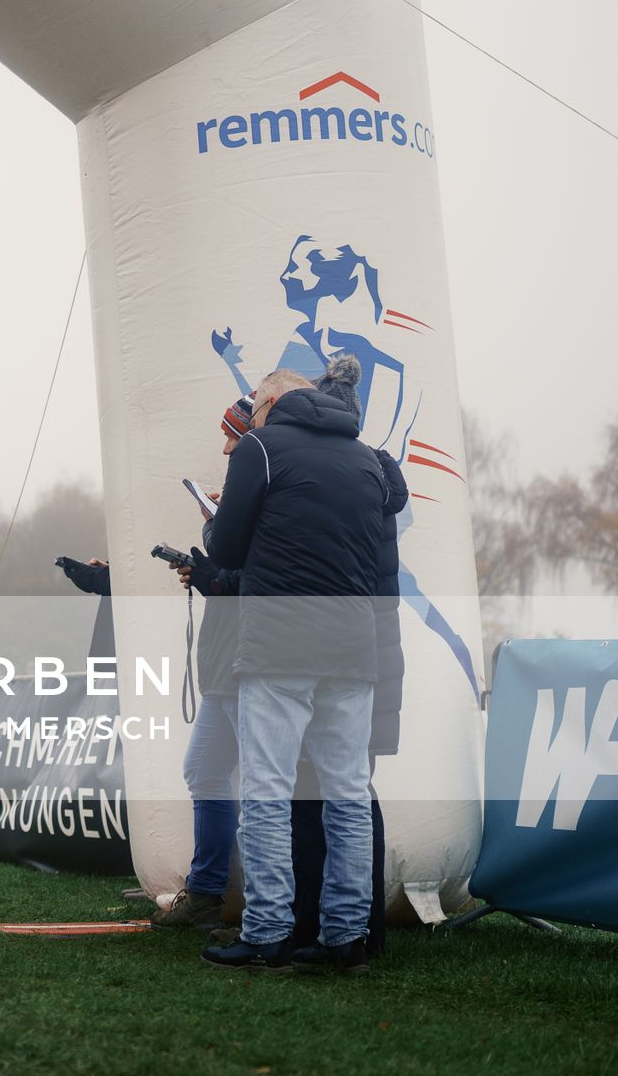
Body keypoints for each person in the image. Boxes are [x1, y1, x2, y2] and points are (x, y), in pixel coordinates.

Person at [197, 369, 392, 973]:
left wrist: (219, 520)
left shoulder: (261, 447)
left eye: (255, 405)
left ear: (276, 401)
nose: (251, 416)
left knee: (267, 793)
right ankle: (344, 938)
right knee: (348, 798)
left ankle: (268, 934)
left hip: (279, 644)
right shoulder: (368, 459)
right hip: (354, 647)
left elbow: (225, 550)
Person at [290, 355, 409, 958]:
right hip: (371, 645)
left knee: (332, 793)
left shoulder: (346, 476)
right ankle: (356, 926)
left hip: (346, 647)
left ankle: (330, 926)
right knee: (351, 791)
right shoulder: (376, 473)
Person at [153, 395, 253, 931]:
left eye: (232, 436)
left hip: (248, 660)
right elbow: (234, 580)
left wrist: (214, 552)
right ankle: (209, 894)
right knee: (204, 770)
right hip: (224, 661)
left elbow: (250, 579)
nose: (225, 446)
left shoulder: (268, 484)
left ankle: (265, 909)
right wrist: (207, 567)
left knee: (263, 786)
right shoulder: (251, 486)